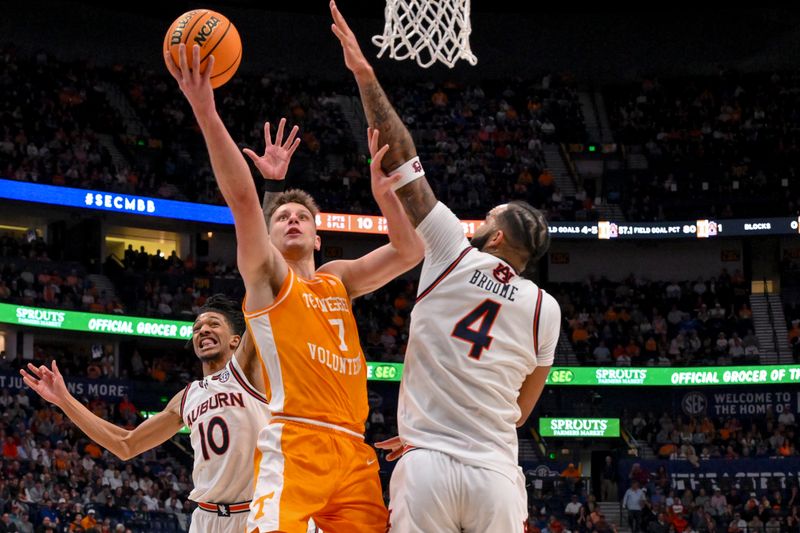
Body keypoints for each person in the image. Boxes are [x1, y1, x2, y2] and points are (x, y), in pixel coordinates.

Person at [164, 39, 424, 533]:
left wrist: (385, 197)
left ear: (318, 235)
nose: (292, 220)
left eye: (302, 215)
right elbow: (242, 202)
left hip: (353, 450)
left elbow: (409, 251)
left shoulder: (337, 278)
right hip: (297, 441)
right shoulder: (269, 281)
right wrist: (205, 108)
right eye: (282, 216)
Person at [330, 3, 560, 532]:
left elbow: (402, 158)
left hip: (426, 465)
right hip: (495, 475)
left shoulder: (452, 249)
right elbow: (520, 412)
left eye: (492, 216)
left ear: (495, 236)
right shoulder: (546, 309)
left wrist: (365, 76)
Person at [20, 295, 269, 533]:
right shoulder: (186, 398)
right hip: (205, 519)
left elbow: (263, 292)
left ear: (236, 340)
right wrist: (64, 400)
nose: (203, 330)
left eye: (214, 324)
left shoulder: (248, 371)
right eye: (197, 328)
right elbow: (126, 445)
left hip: (255, 514)